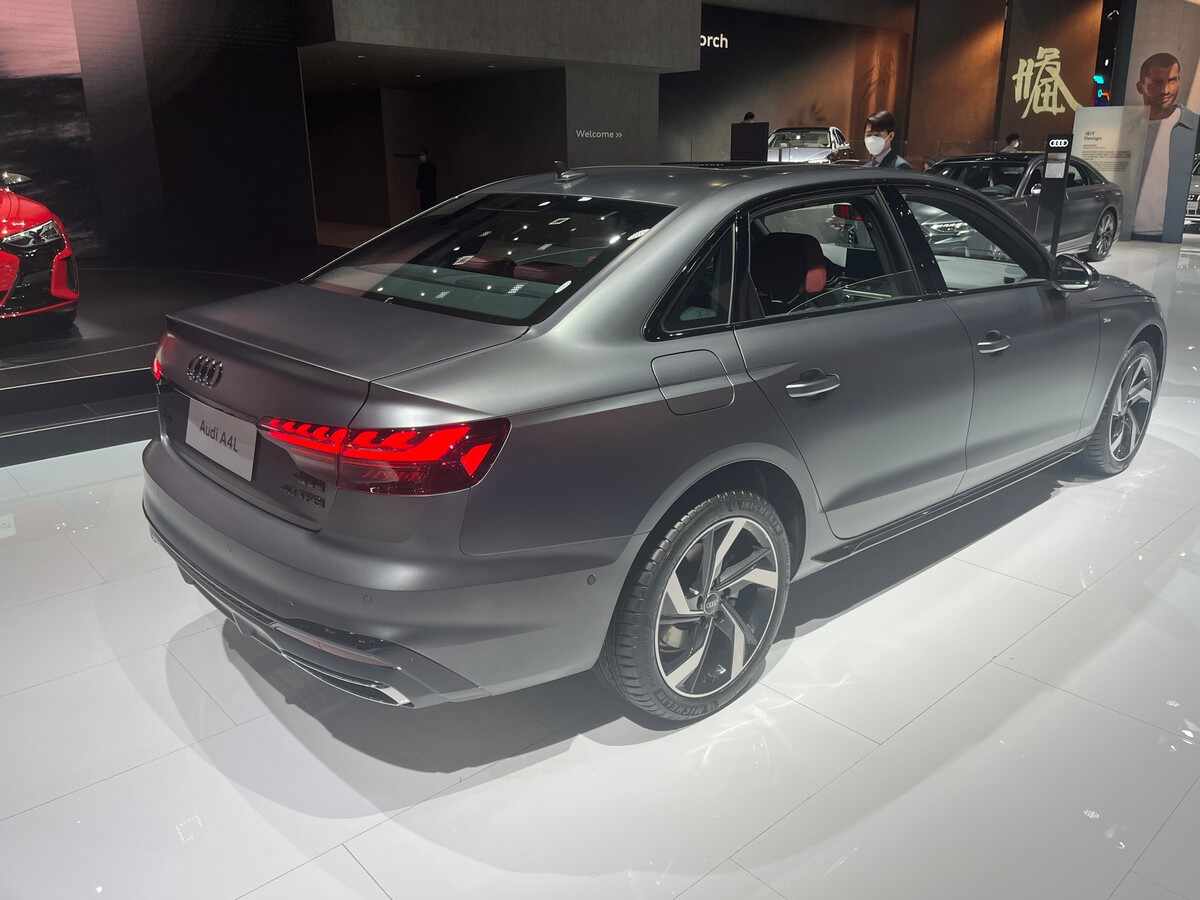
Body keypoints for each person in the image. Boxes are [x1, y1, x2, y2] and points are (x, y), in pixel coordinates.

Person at [1133, 52, 1198, 240]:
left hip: (1174, 239)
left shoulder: (1194, 127)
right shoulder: (1126, 126)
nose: (1166, 90)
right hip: (1122, 235)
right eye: (1157, 82)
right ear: (1140, 86)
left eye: (1172, 81)